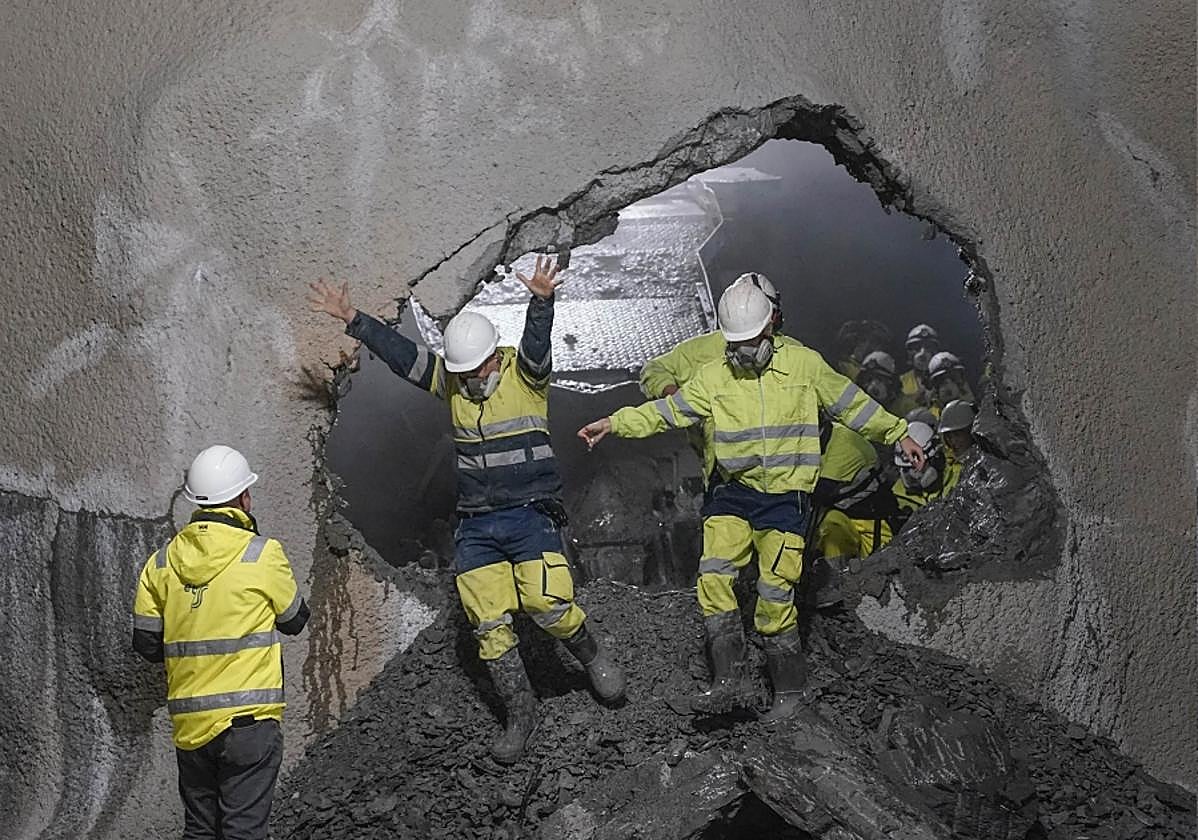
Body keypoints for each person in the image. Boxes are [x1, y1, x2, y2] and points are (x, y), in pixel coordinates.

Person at [308, 257, 624, 765]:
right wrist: (355, 321)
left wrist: (541, 303)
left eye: (475, 370)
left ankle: (591, 654)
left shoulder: (525, 377)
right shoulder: (453, 382)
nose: (469, 380)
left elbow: (538, 350)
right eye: (461, 373)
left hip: (531, 514)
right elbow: (405, 357)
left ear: (492, 359)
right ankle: (522, 713)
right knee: (488, 622)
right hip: (478, 523)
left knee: (548, 605)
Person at [578, 278, 924, 722]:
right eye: (735, 344)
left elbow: (851, 405)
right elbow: (668, 411)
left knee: (774, 594)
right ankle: (728, 681)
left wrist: (898, 433)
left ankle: (789, 693)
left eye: (751, 342)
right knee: (714, 577)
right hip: (732, 493)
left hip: (785, 499)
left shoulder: (804, 366)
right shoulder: (714, 375)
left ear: (770, 329)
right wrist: (615, 422)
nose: (743, 353)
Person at [133, 445, 310, 840]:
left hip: (191, 728)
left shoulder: (160, 563)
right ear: (244, 498)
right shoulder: (262, 555)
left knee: (200, 831)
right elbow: (295, 619)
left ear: (195, 502)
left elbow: (146, 645)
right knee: (243, 831)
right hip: (249, 727)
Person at [639, 271, 785, 480]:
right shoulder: (702, 352)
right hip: (725, 473)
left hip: (774, 476)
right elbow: (653, 370)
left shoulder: (794, 356)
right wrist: (676, 397)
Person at [810, 423, 900, 607]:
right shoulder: (818, 443)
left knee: (884, 577)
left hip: (874, 520)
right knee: (830, 527)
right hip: (844, 516)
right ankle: (832, 584)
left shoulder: (843, 446)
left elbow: (816, 493)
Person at [891, 421, 962, 528]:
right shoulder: (897, 498)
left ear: (936, 458)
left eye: (917, 466)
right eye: (907, 469)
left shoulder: (960, 476)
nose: (913, 474)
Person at [855, 350, 918, 418]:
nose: (873, 384)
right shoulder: (859, 408)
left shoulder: (906, 407)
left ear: (891, 382)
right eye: (868, 379)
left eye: (879, 379)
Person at [900, 324, 941, 409]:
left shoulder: (950, 379)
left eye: (928, 347)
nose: (923, 353)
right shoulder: (900, 382)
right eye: (917, 348)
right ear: (909, 353)